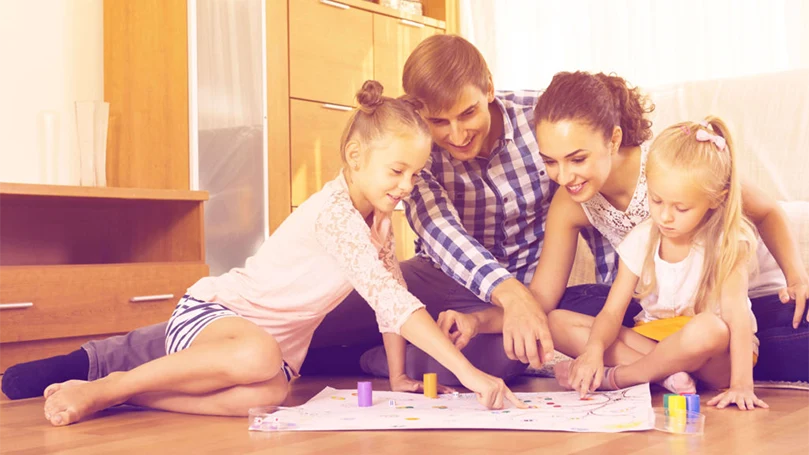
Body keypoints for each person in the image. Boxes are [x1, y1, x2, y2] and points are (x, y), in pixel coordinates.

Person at [4, 35, 619, 398]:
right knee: (320, 317)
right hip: (448, 275)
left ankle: (368, 366)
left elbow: (605, 182)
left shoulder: (543, 122)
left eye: (467, 115)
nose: (454, 134)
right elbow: (434, 241)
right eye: (437, 122)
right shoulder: (408, 166)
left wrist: (527, 301)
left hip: (517, 289)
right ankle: (101, 362)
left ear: (489, 91)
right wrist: (503, 295)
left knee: (515, 345)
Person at [38, 81, 524, 426]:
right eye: (397, 171)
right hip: (217, 318)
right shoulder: (334, 214)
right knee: (258, 353)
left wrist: (398, 374)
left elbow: (390, 294)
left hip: (271, 359)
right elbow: (395, 304)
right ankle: (107, 386)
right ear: (356, 158)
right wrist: (470, 374)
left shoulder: (377, 220)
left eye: (415, 174)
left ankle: (138, 398)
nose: (407, 186)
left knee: (270, 393)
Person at [439, 71, 809, 383]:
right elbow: (540, 301)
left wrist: (796, 277)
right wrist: (476, 321)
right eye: (550, 162)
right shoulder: (569, 204)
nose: (564, 176)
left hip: (744, 305)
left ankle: (653, 370)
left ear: (614, 139)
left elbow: (767, 212)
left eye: (577, 158)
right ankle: (667, 371)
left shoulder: (672, 166)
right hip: (663, 317)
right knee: (561, 317)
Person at [549, 117, 768, 411]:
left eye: (681, 208)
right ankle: (669, 376)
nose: (665, 216)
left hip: (716, 357)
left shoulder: (727, 242)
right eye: (656, 200)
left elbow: (737, 320)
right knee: (557, 322)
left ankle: (623, 377)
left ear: (715, 200)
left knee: (710, 328)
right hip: (657, 340)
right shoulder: (641, 239)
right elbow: (612, 312)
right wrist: (592, 352)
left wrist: (742, 385)